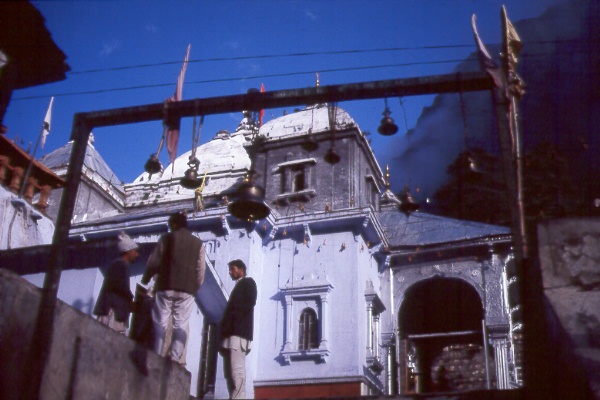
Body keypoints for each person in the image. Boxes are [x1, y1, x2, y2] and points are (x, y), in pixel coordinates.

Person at [141, 211, 205, 364]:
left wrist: (146, 277)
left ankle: (157, 353)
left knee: (160, 322)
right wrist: (195, 287)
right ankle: (175, 357)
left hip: (166, 286)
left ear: (174, 224)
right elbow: (200, 270)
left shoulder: (166, 239)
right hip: (187, 290)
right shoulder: (198, 243)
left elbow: (154, 261)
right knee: (180, 324)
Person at [220, 259, 257, 399]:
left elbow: (249, 302)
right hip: (234, 333)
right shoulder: (240, 286)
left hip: (239, 332)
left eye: (233, 269)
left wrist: (234, 316)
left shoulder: (248, 283)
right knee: (232, 371)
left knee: (237, 370)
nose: (230, 272)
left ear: (241, 269)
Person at [93, 231, 139, 334]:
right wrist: (130, 300)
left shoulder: (120, 265)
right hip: (112, 312)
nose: (137, 254)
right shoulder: (119, 265)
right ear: (128, 252)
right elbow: (119, 287)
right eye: (134, 251)